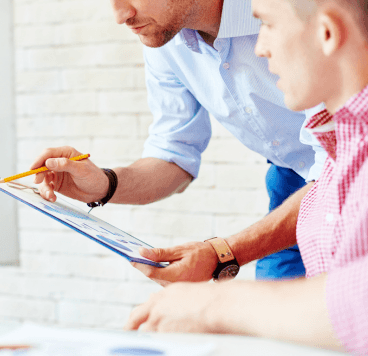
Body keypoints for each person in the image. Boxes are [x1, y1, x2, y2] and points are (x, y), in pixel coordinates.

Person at [125, 0, 368, 355]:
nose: (258, 48)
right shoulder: (336, 148)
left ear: (327, 33)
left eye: (267, 25)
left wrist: (212, 306)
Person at [30, 0, 327, 283]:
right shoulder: (165, 35)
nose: (120, 15)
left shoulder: (298, 14)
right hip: (291, 184)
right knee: (278, 321)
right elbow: (174, 151)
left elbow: (339, 166)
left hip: (350, 169)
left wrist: (221, 254)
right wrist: (104, 184)